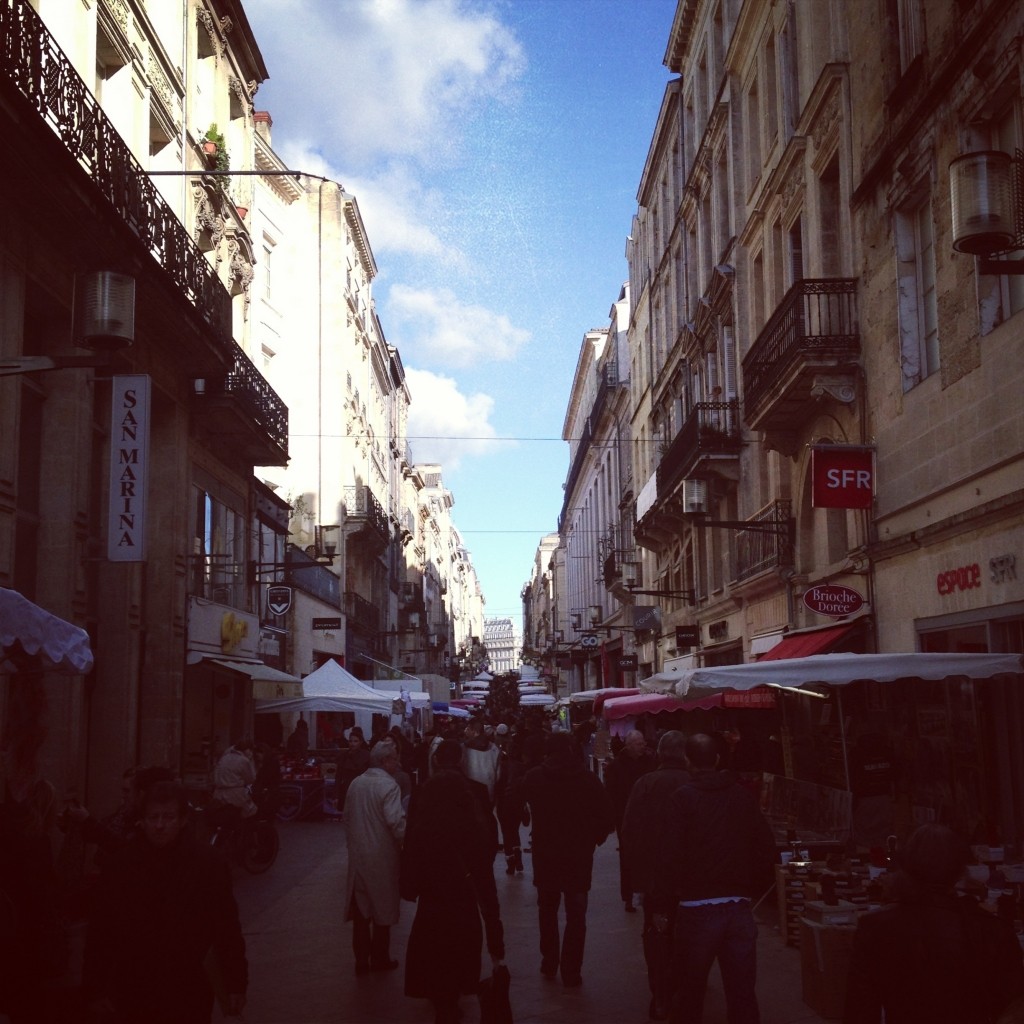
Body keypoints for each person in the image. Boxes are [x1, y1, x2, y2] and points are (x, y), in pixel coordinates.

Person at [82, 779, 247, 1023]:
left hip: (188, 984)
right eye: (153, 817)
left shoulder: (208, 864)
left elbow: (226, 926)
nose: (160, 825)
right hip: (134, 985)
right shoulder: (120, 865)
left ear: (182, 821)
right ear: (143, 821)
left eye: (168, 817)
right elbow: (102, 930)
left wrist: (235, 981)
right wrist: (95, 987)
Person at [843, 823, 1024, 1024]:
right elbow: (1012, 1009)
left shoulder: (875, 926)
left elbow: (860, 1010)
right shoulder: (991, 929)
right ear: (959, 870)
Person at [658, 733, 775, 1024]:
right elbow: (765, 845)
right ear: (718, 760)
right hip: (737, 906)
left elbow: (670, 853)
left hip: (697, 906)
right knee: (742, 991)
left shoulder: (682, 799)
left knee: (690, 991)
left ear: (688, 761)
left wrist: (666, 898)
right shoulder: (741, 795)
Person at [401, 739, 505, 1024]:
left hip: (433, 885)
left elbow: (412, 839)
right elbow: (485, 838)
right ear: (460, 760)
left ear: (436, 760)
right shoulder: (476, 791)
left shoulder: (424, 793)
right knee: (461, 939)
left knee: (434, 940)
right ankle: (455, 990)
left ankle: (441, 997)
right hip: (463, 883)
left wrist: (410, 881)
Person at [510, 731, 614, 988]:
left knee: (547, 909)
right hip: (578, 856)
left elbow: (512, 799)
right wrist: (591, 839)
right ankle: (572, 969)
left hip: (546, 854)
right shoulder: (587, 780)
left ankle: (549, 959)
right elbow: (607, 817)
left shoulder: (535, 777)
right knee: (576, 914)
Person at [621, 729, 691, 1021]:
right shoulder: (694, 784)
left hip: (656, 880)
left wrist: (636, 880)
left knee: (657, 934)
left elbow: (630, 833)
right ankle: (683, 989)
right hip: (692, 879)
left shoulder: (646, 784)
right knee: (687, 935)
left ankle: (660, 994)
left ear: (660, 754)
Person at [342, 738, 406, 975]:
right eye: (395, 758)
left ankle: (361, 961)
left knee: (362, 911)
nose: (398, 762)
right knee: (382, 910)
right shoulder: (389, 786)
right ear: (385, 761)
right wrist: (405, 843)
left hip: (358, 858)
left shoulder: (356, 783)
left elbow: (346, 818)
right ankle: (380, 958)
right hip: (382, 857)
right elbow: (395, 822)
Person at [604, 728, 657, 912]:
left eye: (643, 743)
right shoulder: (616, 766)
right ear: (628, 745)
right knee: (627, 856)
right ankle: (628, 895)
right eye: (638, 743)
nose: (642, 746)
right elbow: (610, 794)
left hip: (648, 815)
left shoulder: (650, 762)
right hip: (625, 817)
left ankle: (647, 890)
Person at [212, 737, 258, 819]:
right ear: (247, 750)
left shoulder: (224, 758)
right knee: (251, 811)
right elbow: (251, 779)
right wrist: (251, 761)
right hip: (235, 794)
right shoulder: (243, 760)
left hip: (219, 794)